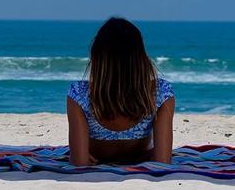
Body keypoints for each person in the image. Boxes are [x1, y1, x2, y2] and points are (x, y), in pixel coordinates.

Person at [66, 17, 175, 166]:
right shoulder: (161, 93)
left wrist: (84, 157)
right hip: (139, 157)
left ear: (97, 57)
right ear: (141, 58)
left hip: (97, 158)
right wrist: (145, 156)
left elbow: (79, 163)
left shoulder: (79, 94)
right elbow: (162, 162)